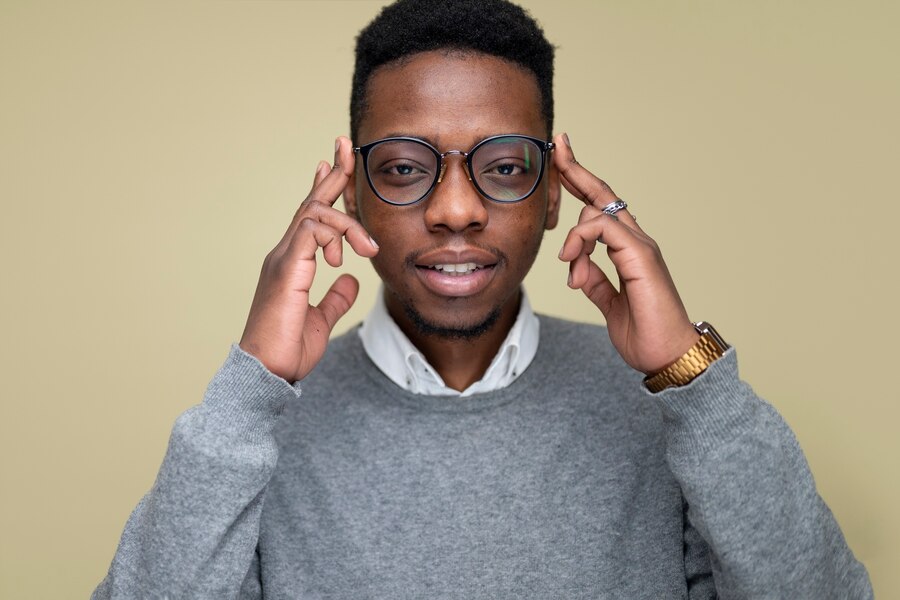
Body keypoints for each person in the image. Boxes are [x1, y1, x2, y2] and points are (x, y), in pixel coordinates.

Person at [93, 0, 873, 598]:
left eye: (503, 167)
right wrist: (250, 389)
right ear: (353, 193)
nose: (456, 210)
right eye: (403, 167)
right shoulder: (258, 429)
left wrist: (692, 382)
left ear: (555, 197)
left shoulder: (666, 410)